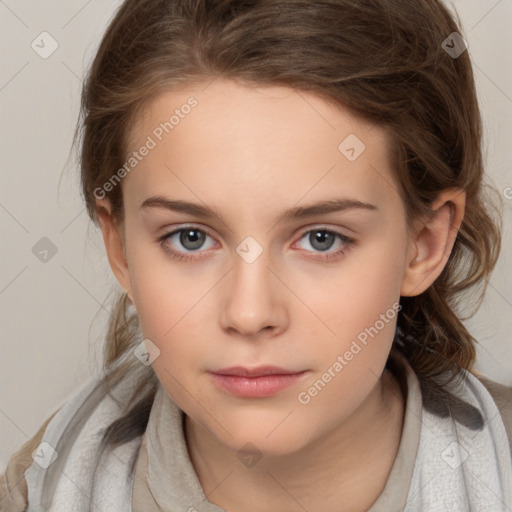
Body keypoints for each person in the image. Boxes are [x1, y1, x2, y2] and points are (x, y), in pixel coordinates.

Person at [1, 0, 511, 511]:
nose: (249, 314)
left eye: (321, 239)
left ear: (424, 244)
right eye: (190, 238)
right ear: (121, 246)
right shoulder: (35, 493)